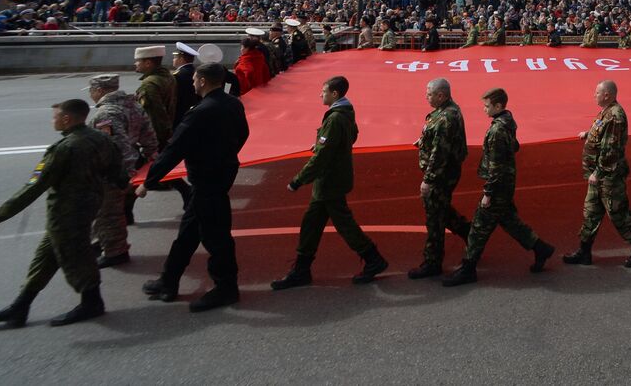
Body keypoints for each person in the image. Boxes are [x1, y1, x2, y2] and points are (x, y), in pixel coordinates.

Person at [0, 99, 124, 328]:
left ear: (67, 118)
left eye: (55, 116)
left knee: (78, 259)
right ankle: (20, 307)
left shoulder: (64, 148)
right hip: (88, 207)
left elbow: (35, 185)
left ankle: (92, 303)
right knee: (45, 258)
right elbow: (118, 171)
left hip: (66, 214)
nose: (52, 120)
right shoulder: (102, 139)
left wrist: (0, 215)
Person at [138, 62, 249, 312]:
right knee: (187, 235)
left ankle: (226, 288)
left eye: (194, 79)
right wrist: (226, 154)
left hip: (207, 179)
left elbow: (174, 150)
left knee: (216, 238)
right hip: (219, 175)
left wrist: (149, 181)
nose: (192, 82)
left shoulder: (199, 112)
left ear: (201, 81)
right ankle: (169, 280)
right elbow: (243, 133)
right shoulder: (233, 103)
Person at [271, 76, 389, 290]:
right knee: (312, 225)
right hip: (333, 180)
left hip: (329, 181)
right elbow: (350, 137)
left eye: (323, 91)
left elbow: (322, 156)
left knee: (343, 225)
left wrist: (298, 180)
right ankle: (302, 269)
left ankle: (373, 259)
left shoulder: (335, 118)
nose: (320, 94)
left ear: (334, 94)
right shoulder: (346, 113)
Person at [443, 89, 554, 286]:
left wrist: (488, 193)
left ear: (498, 106)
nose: (484, 109)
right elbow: (515, 147)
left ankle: (468, 269)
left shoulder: (496, 131)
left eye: (487, 106)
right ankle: (541, 248)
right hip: (507, 183)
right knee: (510, 221)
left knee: (478, 227)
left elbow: (496, 166)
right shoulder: (508, 122)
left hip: (498, 187)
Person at [563, 81, 631, 268]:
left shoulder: (615, 115)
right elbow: (603, 135)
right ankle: (584, 252)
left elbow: (611, 149)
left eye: (597, 93)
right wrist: (589, 134)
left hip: (609, 176)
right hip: (599, 176)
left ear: (607, 95)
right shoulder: (606, 112)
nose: (594, 95)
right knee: (591, 213)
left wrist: (598, 171)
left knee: (618, 213)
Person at [86, 74, 157, 268]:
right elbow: (148, 133)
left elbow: (115, 146)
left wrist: (120, 175)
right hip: (128, 167)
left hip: (111, 172)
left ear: (100, 90)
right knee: (108, 211)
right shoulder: (131, 104)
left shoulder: (105, 114)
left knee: (108, 213)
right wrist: (151, 156)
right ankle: (100, 242)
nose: (91, 94)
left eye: (92, 90)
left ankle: (115, 252)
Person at [410, 78, 470, 279]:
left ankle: (432, 261)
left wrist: (428, 179)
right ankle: (471, 234)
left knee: (434, 218)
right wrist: (424, 139)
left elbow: (440, 153)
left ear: (441, 96)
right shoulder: (447, 110)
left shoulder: (446, 118)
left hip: (441, 174)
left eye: (429, 94)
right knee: (442, 209)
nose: (426, 97)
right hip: (447, 171)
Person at [133, 44, 176, 149]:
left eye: (138, 61)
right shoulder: (169, 77)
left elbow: (154, 115)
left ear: (148, 63)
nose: (135, 63)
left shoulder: (149, 84)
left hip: (156, 137)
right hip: (168, 130)